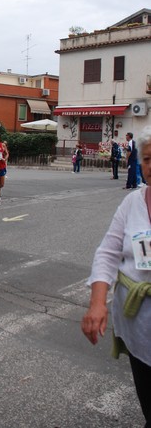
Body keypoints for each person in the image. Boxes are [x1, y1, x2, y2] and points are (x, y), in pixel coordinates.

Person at [81, 125, 151, 428]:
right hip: (139, 332)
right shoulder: (133, 202)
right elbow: (108, 252)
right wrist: (98, 303)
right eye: (148, 159)